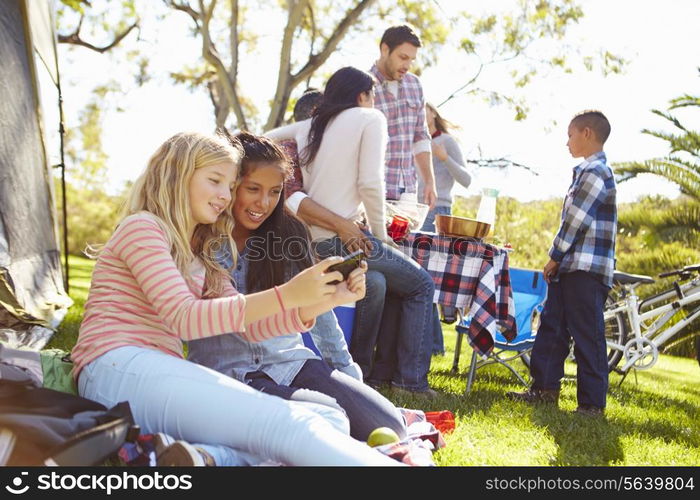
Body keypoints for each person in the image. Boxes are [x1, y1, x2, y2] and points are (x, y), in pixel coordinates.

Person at [71, 131, 399, 466]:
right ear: (177, 175)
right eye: (215, 181)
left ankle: (205, 459)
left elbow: (251, 328)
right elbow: (183, 318)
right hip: (115, 366)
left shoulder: (202, 252)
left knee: (327, 418)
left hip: (156, 373)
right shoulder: (142, 228)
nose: (224, 196)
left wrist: (327, 299)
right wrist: (288, 294)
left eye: (229, 186)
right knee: (291, 426)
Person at [187, 132, 407, 442]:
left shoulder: (288, 234)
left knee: (391, 426)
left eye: (275, 192)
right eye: (253, 189)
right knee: (326, 422)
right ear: (232, 184)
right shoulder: (202, 240)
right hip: (228, 371)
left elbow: (323, 316)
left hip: (291, 363)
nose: (263, 203)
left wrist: (348, 375)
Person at [266, 67, 437, 396]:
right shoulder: (370, 119)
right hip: (345, 240)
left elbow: (265, 137)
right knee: (421, 285)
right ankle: (411, 382)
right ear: (363, 96)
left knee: (378, 282)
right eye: (372, 96)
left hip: (312, 242)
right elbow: (369, 184)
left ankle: (371, 374)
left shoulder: (310, 126)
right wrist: (381, 236)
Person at [508, 110, 617, 417]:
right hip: (571, 268)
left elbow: (575, 222)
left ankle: (592, 404)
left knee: (588, 334)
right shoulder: (586, 171)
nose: (566, 142)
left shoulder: (596, 172)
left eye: (570, 135)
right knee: (552, 328)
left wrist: (554, 256)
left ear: (586, 134)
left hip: (586, 270)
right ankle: (543, 389)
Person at [369, 24, 437, 207]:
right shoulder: (363, 86)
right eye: (403, 57)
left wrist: (429, 181)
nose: (407, 65)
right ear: (385, 49)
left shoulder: (415, 85)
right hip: (373, 190)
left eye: (412, 60)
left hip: (407, 192)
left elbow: (420, 137)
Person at [419, 102, 472, 232]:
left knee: (434, 253)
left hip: (438, 209)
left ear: (433, 113)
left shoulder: (447, 141)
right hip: (416, 209)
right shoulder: (417, 143)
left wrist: (445, 158)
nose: (419, 113)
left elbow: (466, 180)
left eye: (423, 108)